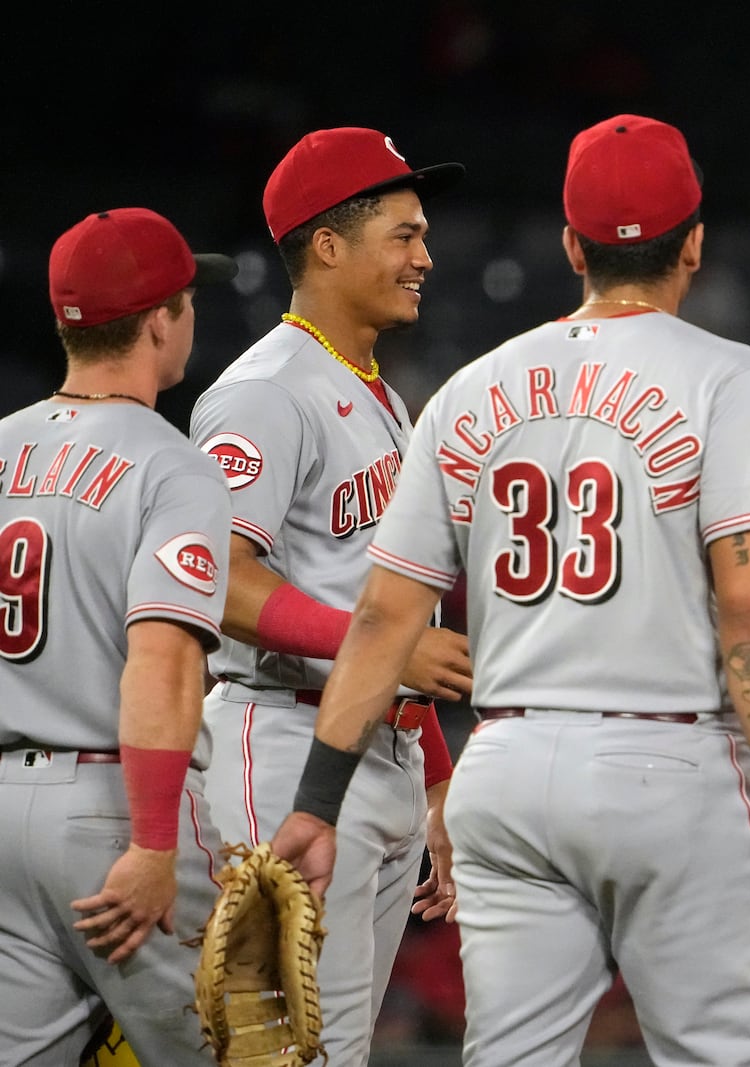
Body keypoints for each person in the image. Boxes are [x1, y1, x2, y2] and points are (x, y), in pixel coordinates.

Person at [268, 113, 750, 1066]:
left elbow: (383, 616)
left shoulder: (468, 388)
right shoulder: (729, 376)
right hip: (673, 765)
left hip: (510, 767)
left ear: (571, 246)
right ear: (695, 240)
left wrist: (315, 804)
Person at [188, 126, 473, 1066]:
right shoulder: (264, 391)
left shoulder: (379, 395)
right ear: (327, 244)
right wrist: (384, 651)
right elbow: (219, 576)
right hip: (280, 745)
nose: (424, 257)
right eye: (403, 234)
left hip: (374, 746)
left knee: (334, 1053)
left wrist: (433, 772)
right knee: (279, 1056)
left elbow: (388, 599)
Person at [0, 207, 237, 1064]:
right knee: (241, 1050)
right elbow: (164, 662)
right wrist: (153, 842)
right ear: (159, 320)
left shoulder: (1, 446)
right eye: (187, 299)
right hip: (111, 810)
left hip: (4, 811)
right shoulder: (172, 464)